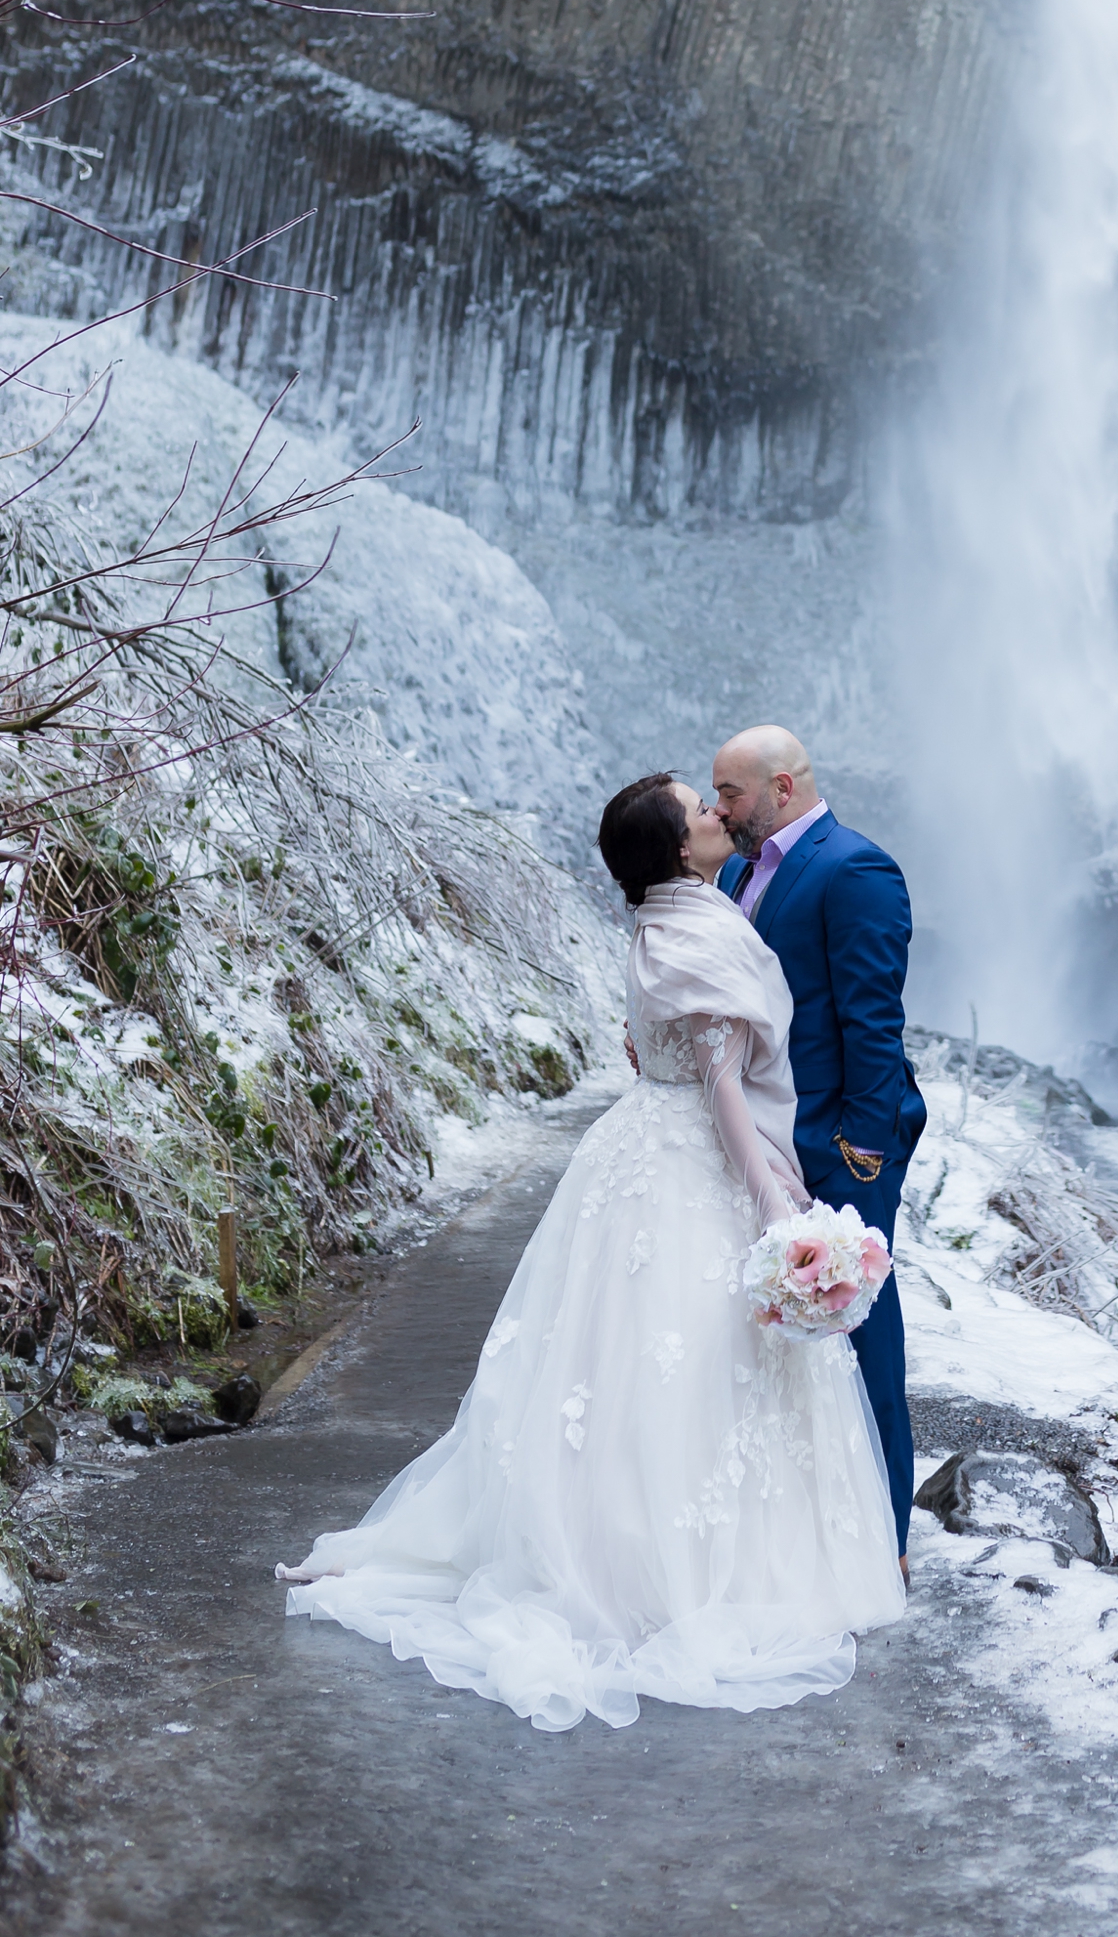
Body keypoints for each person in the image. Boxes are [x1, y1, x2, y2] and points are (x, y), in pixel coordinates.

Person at [276, 773, 904, 1731]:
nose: (716, 815)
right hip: (690, 1159)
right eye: (701, 811)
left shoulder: (668, 919)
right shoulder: (692, 931)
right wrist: (777, 1197)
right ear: (678, 848)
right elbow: (725, 1088)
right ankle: (672, 1577)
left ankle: (642, 1544)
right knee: (688, 1363)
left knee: (628, 1365)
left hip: (643, 1151)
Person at [710, 726, 927, 1564]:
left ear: (783, 790)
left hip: (840, 1145)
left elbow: (873, 1022)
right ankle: (808, 1527)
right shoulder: (736, 871)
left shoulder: (855, 869)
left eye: (730, 794)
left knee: (863, 1327)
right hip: (770, 1140)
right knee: (788, 1332)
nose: (719, 809)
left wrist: (860, 1152)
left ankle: (890, 1539)